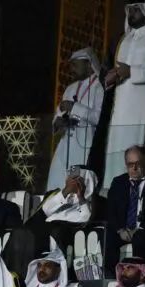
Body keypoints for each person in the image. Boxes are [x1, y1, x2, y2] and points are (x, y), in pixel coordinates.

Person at [94, 2, 145, 182]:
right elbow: (107, 68)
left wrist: (131, 71)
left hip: (142, 111)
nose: (132, 13)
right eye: (130, 9)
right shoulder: (121, 40)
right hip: (118, 112)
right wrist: (109, 76)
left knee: (138, 150)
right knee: (114, 154)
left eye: (137, 9)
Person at [103, 145, 145, 276]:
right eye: (130, 164)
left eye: (138, 164)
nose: (134, 168)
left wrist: (141, 228)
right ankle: (111, 278)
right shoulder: (118, 183)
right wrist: (120, 229)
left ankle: (138, 276)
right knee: (109, 237)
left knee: (140, 239)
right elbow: (110, 210)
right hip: (123, 230)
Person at [46, 48, 104, 191]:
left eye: (75, 65)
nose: (72, 69)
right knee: (56, 186)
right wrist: (58, 122)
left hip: (85, 146)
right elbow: (58, 116)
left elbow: (98, 118)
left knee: (77, 187)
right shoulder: (70, 88)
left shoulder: (99, 87)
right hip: (65, 145)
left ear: (88, 64)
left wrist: (74, 107)